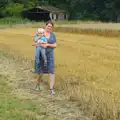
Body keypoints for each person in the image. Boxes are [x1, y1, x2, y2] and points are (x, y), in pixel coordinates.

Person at [33, 21, 56, 95]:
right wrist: (40, 44)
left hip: (50, 55)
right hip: (41, 55)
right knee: (40, 72)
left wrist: (47, 44)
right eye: (48, 26)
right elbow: (35, 42)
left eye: (51, 27)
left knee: (51, 72)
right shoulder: (40, 33)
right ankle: (37, 84)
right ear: (45, 26)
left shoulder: (53, 35)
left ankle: (51, 89)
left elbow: (55, 45)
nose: (49, 28)